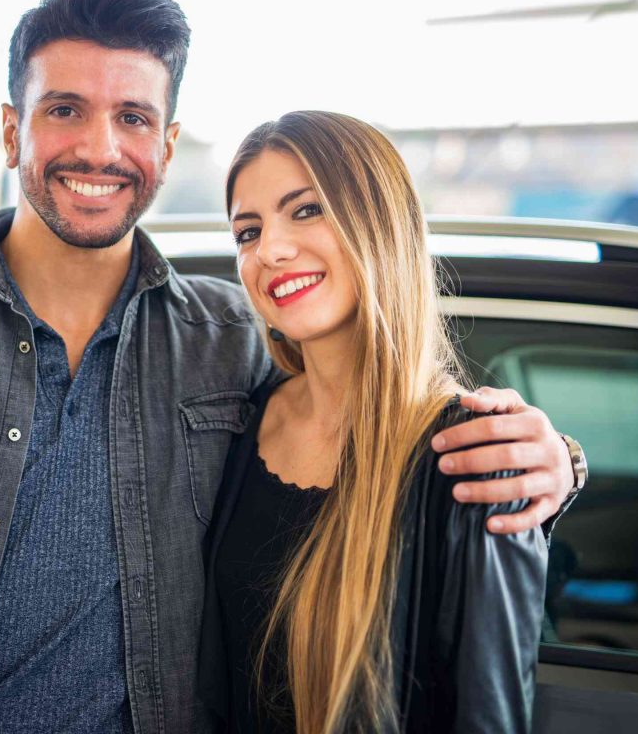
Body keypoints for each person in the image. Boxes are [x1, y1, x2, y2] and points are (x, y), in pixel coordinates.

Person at [0, 0, 580, 733]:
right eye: (65, 109)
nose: (100, 146)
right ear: (12, 127)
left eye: (133, 117)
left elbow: (374, 424)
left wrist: (550, 461)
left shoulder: (232, 342)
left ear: (167, 146)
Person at [198, 111, 549, 733]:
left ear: (378, 225)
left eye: (305, 210)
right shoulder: (236, 421)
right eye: (247, 231)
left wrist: (566, 464)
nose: (269, 249)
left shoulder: (472, 458)